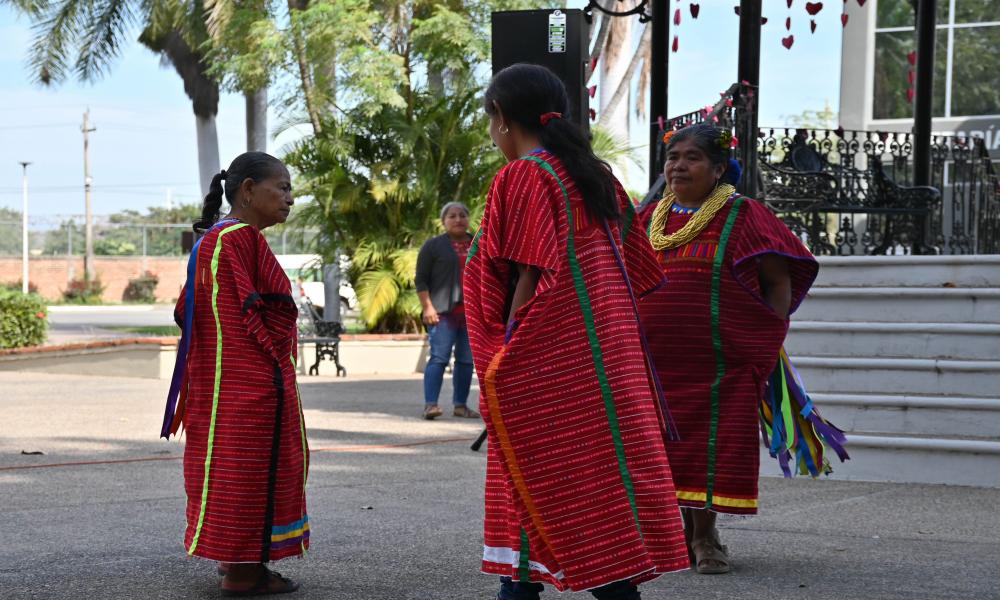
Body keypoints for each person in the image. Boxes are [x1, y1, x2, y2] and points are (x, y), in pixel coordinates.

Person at [464, 63, 689, 600]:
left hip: (546, 359)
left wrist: (505, 357)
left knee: (544, 473)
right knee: (591, 485)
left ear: (500, 117)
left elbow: (527, 273)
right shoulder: (597, 175)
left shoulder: (523, 175)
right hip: (606, 358)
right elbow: (636, 270)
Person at [637, 124, 820, 575]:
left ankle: (704, 538)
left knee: (708, 449)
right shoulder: (646, 219)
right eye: (673, 156)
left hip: (720, 364)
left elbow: (777, 281)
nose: (679, 165)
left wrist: (767, 338)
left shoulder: (745, 215)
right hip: (654, 365)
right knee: (664, 451)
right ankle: (677, 534)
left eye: (692, 157)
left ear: (719, 168)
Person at [161, 152, 308, 596]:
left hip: (216, 381)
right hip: (248, 384)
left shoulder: (214, 238)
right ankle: (244, 574)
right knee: (250, 471)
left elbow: (185, 310)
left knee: (228, 468)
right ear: (247, 190)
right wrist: (274, 362)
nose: (289, 197)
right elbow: (269, 313)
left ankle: (234, 564)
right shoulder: (242, 238)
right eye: (280, 187)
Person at [415, 202, 478, 420]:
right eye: (452, 216)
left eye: (462, 215)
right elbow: (421, 280)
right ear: (444, 221)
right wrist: (427, 307)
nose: (458, 219)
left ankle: (461, 405)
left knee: (466, 361)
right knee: (439, 358)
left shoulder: (478, 244)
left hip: (472, 314)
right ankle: (430, 404)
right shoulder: (433, 246)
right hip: (442, 314)